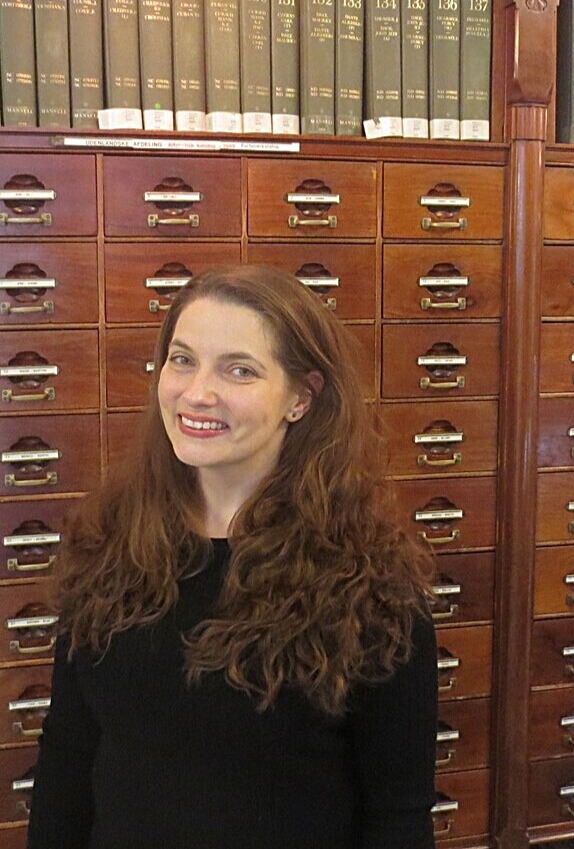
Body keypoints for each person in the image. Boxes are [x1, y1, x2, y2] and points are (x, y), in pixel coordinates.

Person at [27, 265, 437, 849]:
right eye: (182, 359)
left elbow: (398, 813)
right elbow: (69, 752)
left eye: (239, 370)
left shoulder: (371, 584)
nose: (197, 393)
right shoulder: (109, 544)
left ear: (301, 397)